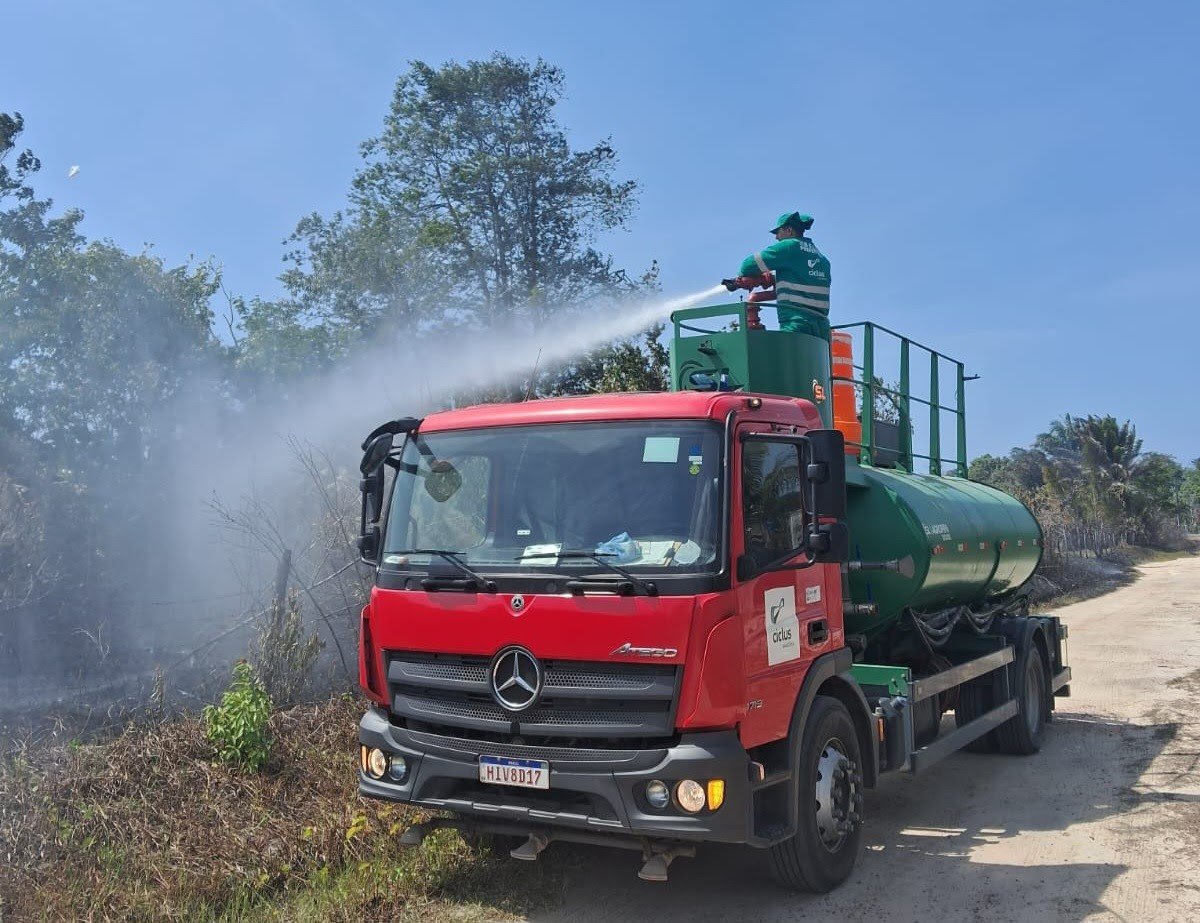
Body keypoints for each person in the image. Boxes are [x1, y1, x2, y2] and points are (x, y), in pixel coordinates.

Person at [733, 211, 832, 337]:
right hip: (822, 329)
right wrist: (774, 280)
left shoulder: (790, 247)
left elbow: (747, 266)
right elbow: (801, 284)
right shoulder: (823, 259)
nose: (776, 238)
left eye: (778, 232)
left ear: (789, 230)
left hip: (796, 323)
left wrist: (751, 277)